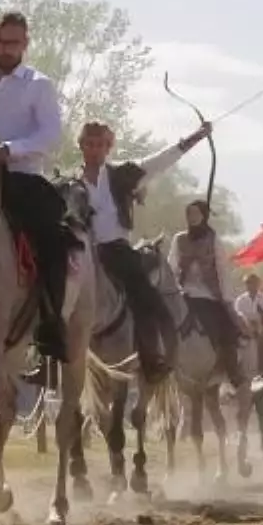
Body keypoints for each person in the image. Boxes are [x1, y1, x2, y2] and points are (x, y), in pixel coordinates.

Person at [0, 13, 71, 364]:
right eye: (1, 41)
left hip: (21, 177)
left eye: (14, 43)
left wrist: (9, 149)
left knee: (54, 238)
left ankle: (51, 323)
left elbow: (50, 134)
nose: (7, 49)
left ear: (25, 44)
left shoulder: (39, 84)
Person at [77, 120, 212, 380]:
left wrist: (194, 137)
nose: (94, 150)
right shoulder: (72, 183)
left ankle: (152, 359)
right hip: (83, 251)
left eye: (100, 145)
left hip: (116, 251)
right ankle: (45, 359)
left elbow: (159, 161)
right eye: (89, 144)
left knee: (148, 302)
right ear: (81, 146)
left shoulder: (121, 175)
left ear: (108, 147)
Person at [168, 199, 242, 386]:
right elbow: (172, 266)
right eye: (189, 214)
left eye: (195, 214)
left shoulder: (213, 239)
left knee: (228, 327)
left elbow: (222, 269)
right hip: (183, 292)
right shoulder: (179, 239)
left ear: (204, 216)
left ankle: (231, 369)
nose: (192, 217)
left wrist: (226, 299)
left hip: (208, 294)